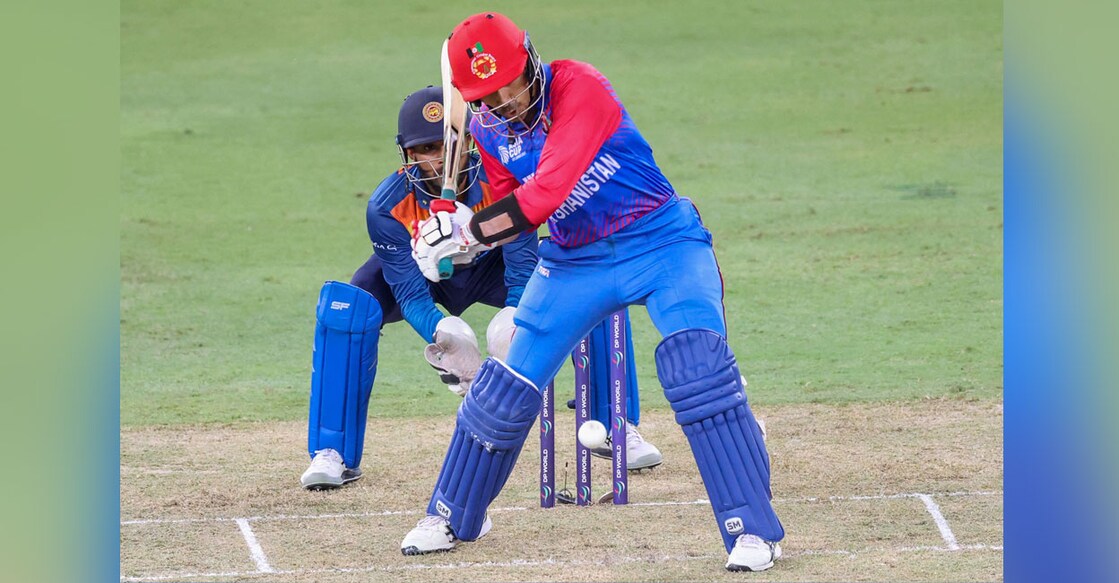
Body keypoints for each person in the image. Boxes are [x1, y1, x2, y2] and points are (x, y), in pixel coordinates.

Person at [400, 13, 784, 572]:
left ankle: (752, 530)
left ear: (532, 63)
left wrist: (471, 231)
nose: (504, 103)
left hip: (660, 243)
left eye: (510, 85)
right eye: (487, 96)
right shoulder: (485, 126)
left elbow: (547, 191)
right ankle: (454, 513)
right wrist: (457, 236)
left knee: (696, 368)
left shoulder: (580, 86)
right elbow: (516, 216)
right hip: (573, 262)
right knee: (506, 382)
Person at [301, 86, 660, 491]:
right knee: (346, 307)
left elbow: (522, 264)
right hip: (425, 281)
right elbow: (409, 292)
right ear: (407, 154)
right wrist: (443, 333)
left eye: (445, 145)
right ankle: (331, 453)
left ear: (467, 143)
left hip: (494, 268)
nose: (437, 159)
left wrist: (514, 320)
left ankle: (615, 426)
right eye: (425, 149)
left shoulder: (502, 180)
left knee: (592, 283)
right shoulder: (386, 206)